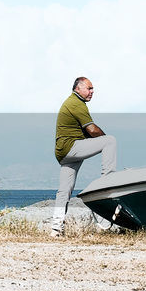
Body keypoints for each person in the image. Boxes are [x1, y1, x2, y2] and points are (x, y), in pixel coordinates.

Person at [51, 77, 117, 237]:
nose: (92, 92)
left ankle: (56, 229)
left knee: (64, 191)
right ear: (78, 89)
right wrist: (103, 138)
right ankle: (108, 181)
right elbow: (92, 130)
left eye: (93, 89)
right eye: (89, 88)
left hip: (63, 153)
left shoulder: (73, 102)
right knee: (110, 141)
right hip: (71, 147)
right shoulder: (76, 103)